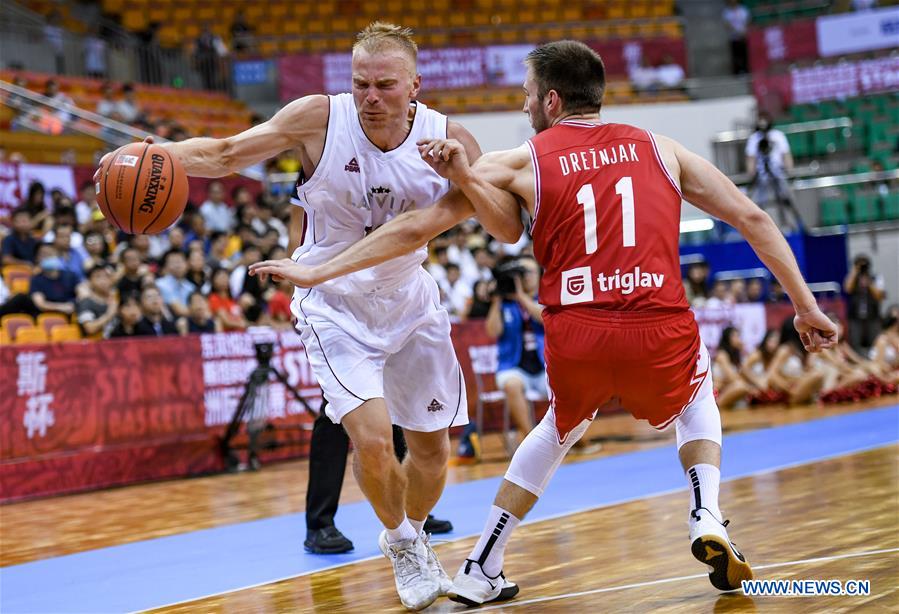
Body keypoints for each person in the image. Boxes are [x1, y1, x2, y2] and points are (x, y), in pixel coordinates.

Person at [262, 40, 840, 605]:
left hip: (575, 330)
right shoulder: (661, 148)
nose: (522, 106)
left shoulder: (521, 160)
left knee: (557, 430)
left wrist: (321, 269)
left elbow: (415, 230)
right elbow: (753, 217)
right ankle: (706, 510)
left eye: (527, 95)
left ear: (553, 102)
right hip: (656, 322)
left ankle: (482, 563)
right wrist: (806, 306)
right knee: (698, 395)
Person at [99, 22, 507, 611]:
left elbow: (444, 228)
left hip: (410, 300)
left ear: (415, 84)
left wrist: (466, 174)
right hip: (331, 303)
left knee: (433, 452)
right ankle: (401, 543)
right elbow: (224, 154)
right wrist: (144, 157)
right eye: (360, 82)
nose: (370, 96)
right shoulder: (320, 118)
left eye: (385, 85)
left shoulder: (452, 143)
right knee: (370, 440)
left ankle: (411, 528)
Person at [745, 111, 799, 231]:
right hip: (761, 175)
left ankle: (791, 226)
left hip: (778, 173)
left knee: (786, 199)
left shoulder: (778, 135)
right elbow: (751, 159)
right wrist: (751, 175)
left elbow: (786, 154)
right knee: (759, 203)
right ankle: (761, 228)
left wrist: (789, 171)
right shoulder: (754, 138)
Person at [843, 254, 886, 354]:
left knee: (874, 342)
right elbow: (847, 289)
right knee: (855, 343)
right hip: (855, 316)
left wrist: (869, 283)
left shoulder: (876, 277)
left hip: (873, 316)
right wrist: (854, 271)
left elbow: (879, 295)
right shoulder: (853, 278)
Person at [77, 265, 118, 338]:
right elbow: (90, 328)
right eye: (98, 277)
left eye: (107, 276)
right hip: (97, 346)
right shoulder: (86, 302)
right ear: (90, 281)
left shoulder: (117, 298)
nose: (103, 280)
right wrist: (109, 314)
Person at [722, 0, 750, 75]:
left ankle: (746, 70)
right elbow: (726, 24)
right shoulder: (727, 12)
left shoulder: (743, 10)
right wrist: (737, 31)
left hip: (743, 36)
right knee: (736, 55)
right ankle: (737, 71)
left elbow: (747, 21)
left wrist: (744, 32)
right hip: (733, 37)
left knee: (744, 54)